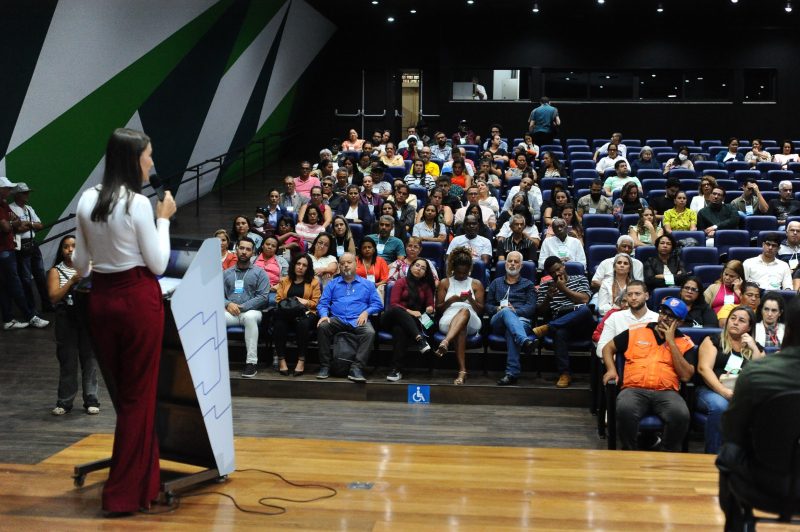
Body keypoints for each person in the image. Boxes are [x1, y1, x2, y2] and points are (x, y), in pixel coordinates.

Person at [72, 128, 177, 514]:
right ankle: (122, 494)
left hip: (101, 300)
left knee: (127, 398)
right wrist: (164, 219)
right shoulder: (136, 204)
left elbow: (81, 265)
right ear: (135, 158)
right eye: (149, 154)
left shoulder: (86, 200)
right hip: (136, 301)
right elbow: (159, 264)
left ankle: (146, 483)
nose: (152, 161)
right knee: (137, 398)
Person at [716, 298, 800, 529]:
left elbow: (732, 432)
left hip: (763, 486)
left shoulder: (756, 373)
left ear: (788, 330)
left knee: (729, 452)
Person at [601, 297, 695, 451]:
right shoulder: (635, 331)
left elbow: (686, 376)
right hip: (634, 390)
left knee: (680, 415)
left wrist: (671, 342)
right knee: (625, 409)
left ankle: (666, 454)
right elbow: (607, 348)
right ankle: (629, 452)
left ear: (680, 322)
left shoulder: (685, 343)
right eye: (663, 312)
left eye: (670, 316)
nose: (664, 317)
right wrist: (611, 369)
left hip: (667, 393)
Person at [697, 305, 764, 454]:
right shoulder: (713, 340)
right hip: (710, 390)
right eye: (732, 318)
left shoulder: (756, 348)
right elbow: (704, 369)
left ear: (749, 327)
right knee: (720, 406)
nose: (735, 322)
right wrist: (724, 391)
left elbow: (758, 375)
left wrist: (754, 348)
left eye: (741, 320)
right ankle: (713, 455)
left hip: (741, 394)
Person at [47, 235, 98, 416]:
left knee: (90, 359)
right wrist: (70, 282)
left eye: (74, 246)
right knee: (68, 361)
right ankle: (65, 402)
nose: (70, 249)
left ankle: (91, 399)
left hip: (86, 318)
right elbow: (53, 297)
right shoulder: (56, 271)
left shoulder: (90, 268)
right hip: (66, 319)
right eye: (66, 247)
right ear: (61, 251)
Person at [316, 253, 383, 382]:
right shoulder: (332, 284)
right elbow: (323, 304)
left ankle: (357, 368)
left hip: (358, 319)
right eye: (342, 263)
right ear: (339, 267)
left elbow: (377, 304)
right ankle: (325, 366)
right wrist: (324, 315)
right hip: (338, 319)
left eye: (348, 262)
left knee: (369, 332)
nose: (345, 265)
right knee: (323, 326)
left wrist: (366, 312)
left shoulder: (367, 284)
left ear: (356, 264)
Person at [536, 256, 593, 388]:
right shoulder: (545, 286)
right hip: (562, 320)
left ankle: (548, 327)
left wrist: (564, 289)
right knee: (559, 333)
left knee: (584, 310)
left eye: (558, 269)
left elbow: (584, 299)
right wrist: (547, 299)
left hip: (581, 322)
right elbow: (540, 312)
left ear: (563, 266)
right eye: (552, 273)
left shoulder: (580, 279)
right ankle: (564, 373)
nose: (556, 274)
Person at [0, 176, 48, 330]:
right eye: (7, 188)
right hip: (6, 250)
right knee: (17, 283)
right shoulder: (4, 206)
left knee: (7, 286)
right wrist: (16, 223)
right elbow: (9, 227)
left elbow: (18, 223)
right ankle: (30, 315)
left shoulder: (5, 205)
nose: (9, 191)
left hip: (14, 248)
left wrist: (16, 223)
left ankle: (8, 319)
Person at [435, 247, 485, 385]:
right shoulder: (445, 282)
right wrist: (452, 300)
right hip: (448, 319)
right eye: (458, 272)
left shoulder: (476, 283)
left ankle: (445, 341)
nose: (462, 275)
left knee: (464, 311)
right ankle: (462, 371)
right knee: (461, 327)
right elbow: (438, 309)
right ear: (453, 268)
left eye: (464, 272)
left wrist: (471, 299)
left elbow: (481, 310)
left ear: (469, 269)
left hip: (472, 319)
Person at [486, 251, 537, 385]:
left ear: (521, 266)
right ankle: (524, 341)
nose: (512, 264)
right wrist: (498, 309)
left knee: (511, 330)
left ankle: (511, 374)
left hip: (521, 321)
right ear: (505, 264)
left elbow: (531, 308)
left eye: (516, 262)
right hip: (498, 320)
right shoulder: (496, 283)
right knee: (506, 311)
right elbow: (488, 306)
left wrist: (516, 311)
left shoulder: (528, 284)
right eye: (510, 261)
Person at [382, 258, 436, 382]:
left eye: (423, 268)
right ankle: (419, 339)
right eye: (417, 265)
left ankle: (395, 370)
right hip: (392, 317)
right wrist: (411, 312)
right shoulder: (401, 282)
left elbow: (430, 306)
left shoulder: (426, 286)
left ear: (425, 272)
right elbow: (393, 304)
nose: (419, 269)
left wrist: (429, 308)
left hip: (412, 321)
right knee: (397, 312)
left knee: (400, 330)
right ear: (411, 267)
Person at [273, 253, 321, 377]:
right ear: (293, 265)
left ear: (308, 268)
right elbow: (278, 300)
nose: (300, 267)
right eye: (298, 264)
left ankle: (301, 360)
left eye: (304, 265)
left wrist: (305, 302)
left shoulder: (314, 282)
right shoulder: (284, 280)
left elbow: (316, 303)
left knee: (303, 323)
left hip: (306, 312)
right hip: (286, 312)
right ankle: (282, 360)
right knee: (279, 323)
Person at [9, 183, 51, 312]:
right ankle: (31, 307)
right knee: (26, 279)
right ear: (17, 195)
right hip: (21, 246)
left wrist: (28, 223)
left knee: (41, 277)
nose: (27, 195)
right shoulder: (10, 209)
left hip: (33, 244)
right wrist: (30, 225)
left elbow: (40, 225)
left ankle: (47, 305)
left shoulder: (29, 208)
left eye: (27, 192)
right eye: (24, 193)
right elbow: (18, 228)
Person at [597, 280, 658, 354]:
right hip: (623, 363)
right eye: (629, 294)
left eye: (637, 294)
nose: (633, 298)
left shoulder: (657, 318)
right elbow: (601, 349)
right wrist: (615, 360)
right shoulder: (615, 317)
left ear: (646, 296)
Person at [703, 260, 745, 327]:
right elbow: (702, 307)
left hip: (737, 325)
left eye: (732, 276)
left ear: (739, 278)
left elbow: (748, 309)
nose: (727, 278)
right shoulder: (713, 288)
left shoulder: (744, 291)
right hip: (714, 324)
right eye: (726, 274)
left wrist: (737, 290)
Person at [253, 235, 289, 306]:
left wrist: (278, 286)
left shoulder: (282, 261)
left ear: (276, 249)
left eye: (273, 246)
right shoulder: (252, 260)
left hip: (273, 291)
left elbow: (286, 279)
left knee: (273, 300)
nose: (270, 247)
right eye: (267, 244)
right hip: (254, 289)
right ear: (262, 245)